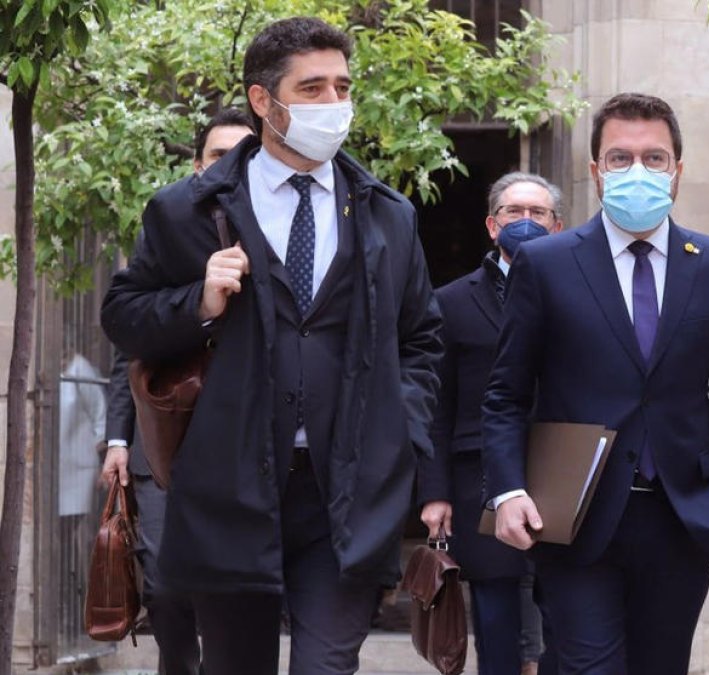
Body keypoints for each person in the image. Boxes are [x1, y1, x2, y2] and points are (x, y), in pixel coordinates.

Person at [101, 17, 442, 674]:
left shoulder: (387, 214)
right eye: (311, 87)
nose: (333, 103)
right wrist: (197, 301)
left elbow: (422, 337)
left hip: (347, 489)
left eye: (342, 86)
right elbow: (124, 313)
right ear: (264, 101)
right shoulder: (189, 210)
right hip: (230, 486)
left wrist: (400, 426)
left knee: (326, 665)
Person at [482, 92, 709, 675]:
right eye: (620, 157)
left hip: (683, 519)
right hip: (576, 518)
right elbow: (506, 393)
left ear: (677, 173)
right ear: (595, 171)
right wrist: (508, 490)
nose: (638, 170)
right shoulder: (548, 263)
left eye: (654, 158)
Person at [100, 108, 255, 675]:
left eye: (246, 152)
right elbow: (130, 345)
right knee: (165, 581)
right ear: (197, 166)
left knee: (234, 589)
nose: (233, 165)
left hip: (241, 444)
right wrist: (118, 440)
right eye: (219, 155)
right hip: (163, 440)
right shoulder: (168, 225)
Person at [417, 171, 562, 675]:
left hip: (559, 468)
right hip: (477, 476)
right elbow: (435, 403)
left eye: (537, 213)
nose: (526, 221)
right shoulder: (451, 302)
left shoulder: (580, 294)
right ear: (491, 225)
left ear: (557, 226)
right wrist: (433, 493)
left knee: (565, 609)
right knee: (497, 613)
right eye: (513, 213)